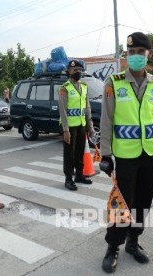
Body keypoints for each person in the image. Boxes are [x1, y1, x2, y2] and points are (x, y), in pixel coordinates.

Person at [99, 32, 153, 273]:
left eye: (140, 52)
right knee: (123, 203)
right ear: (126, 56)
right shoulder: (114, 83)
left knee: (143, 202)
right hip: (125, 156)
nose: (135, 57)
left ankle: (133, 240)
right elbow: (106, 121)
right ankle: (113, 246)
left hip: (150, 154)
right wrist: (106, 154)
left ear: (149, 54)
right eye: (130, 53)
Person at [58, 59, 94, 191]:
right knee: (69, 153)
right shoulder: (64, 88)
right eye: (75, 70)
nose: (78, 72)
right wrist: (65, 130)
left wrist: (90, 126)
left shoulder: (84, 86)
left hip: (81, 125)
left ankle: (79, 175)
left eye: (79, 70)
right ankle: (68, 178)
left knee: (79, 151)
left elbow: (87, 107)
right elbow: (62, 110)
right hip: (70, 127)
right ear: (69, 72)